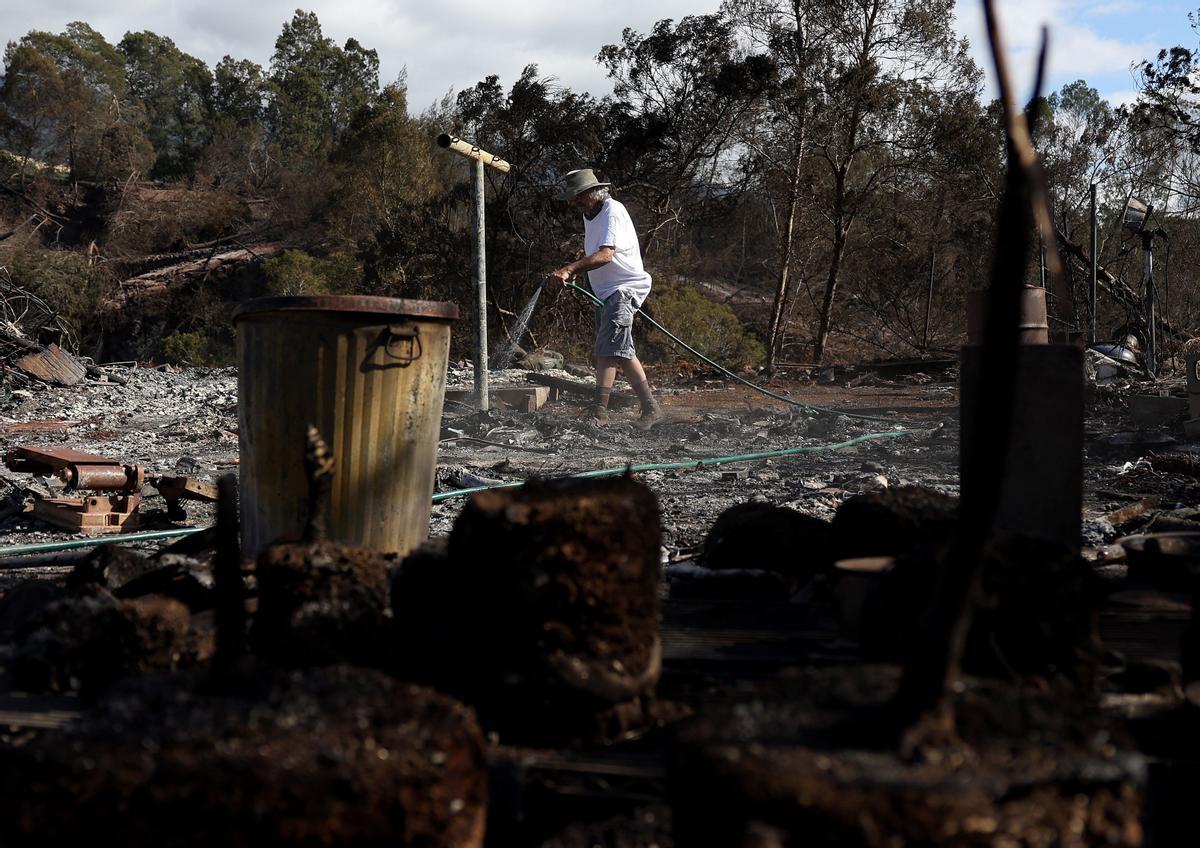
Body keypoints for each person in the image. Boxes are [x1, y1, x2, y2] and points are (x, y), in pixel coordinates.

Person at [544, 168, 661, 427]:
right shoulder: (591, 214)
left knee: (607, 351)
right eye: (573, 198)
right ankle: (651, 408)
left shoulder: (612, 210)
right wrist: (576, 273)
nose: (576, 202)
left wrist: (570, 269)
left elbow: (606, 254)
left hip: (624, 288)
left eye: (579, 196)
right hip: (607, 292)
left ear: (594, 192)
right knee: (620, 350)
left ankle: (599, 412)